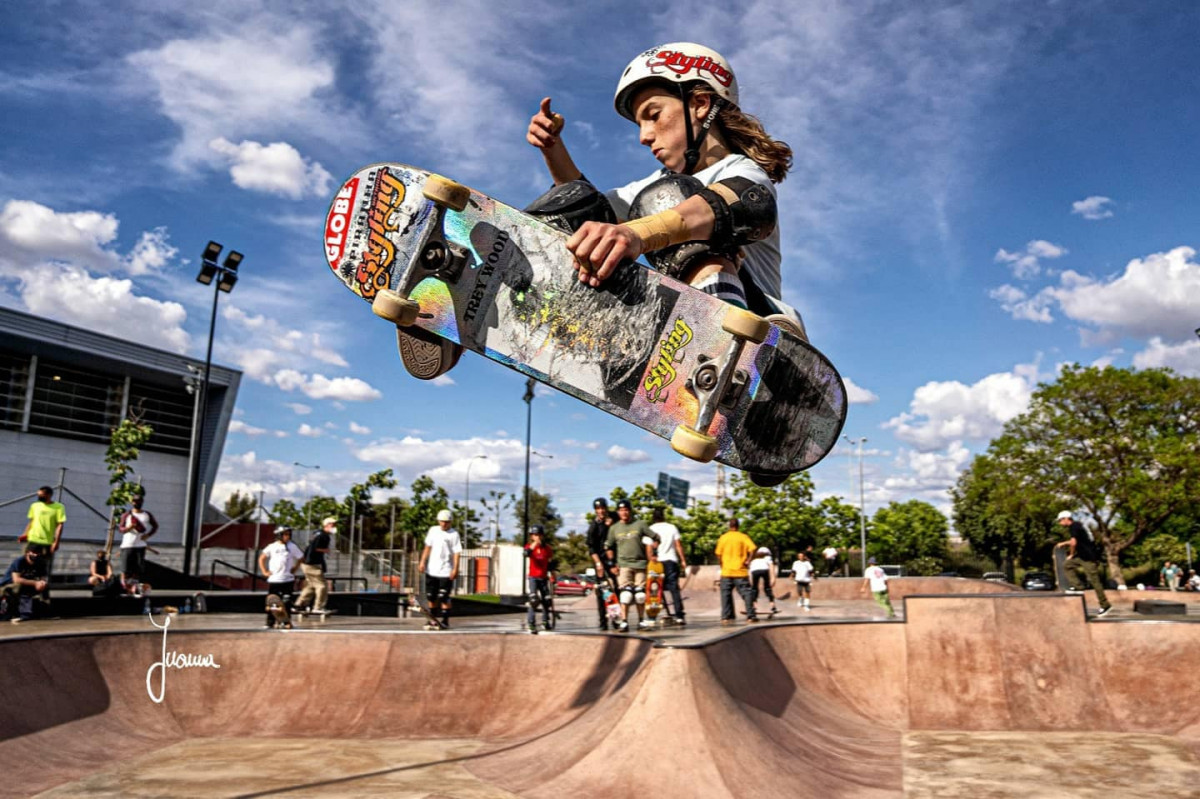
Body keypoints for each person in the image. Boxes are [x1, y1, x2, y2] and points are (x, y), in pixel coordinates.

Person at [526, 43, 805, 335]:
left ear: (700, 104)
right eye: (639, 124)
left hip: (759, 325)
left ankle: (718, 342)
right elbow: (589, 211)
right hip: (678, 330)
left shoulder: (740, 170)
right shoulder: (656, 182)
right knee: (579, 208)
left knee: (670, 200)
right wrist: (553, 150)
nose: (644, 137)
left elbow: (749, 204)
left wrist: (636, 233)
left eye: (654, 115)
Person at [605, 499, 660, 632]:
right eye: (621, 510)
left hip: (640, 564)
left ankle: (641, 621)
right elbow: (609, 546)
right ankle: (624, 621)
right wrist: (611, 563)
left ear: (630, 511)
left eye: (626, 510)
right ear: (618, 512)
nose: (624, 513)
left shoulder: (640, 524)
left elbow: (656, 538)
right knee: (626, 595)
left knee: (640, 596)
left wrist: (654, 551)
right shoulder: (614, 528)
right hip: (623, 565)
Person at [1054, 510, 1112, 616]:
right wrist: (1065, 543)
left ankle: (1105, 605)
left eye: (1060, 521)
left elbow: (1073, 543)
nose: (1060, 523)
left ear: (1066, 519)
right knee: (1067, 565)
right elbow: (1077, 541)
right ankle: (1078, 587)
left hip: (1089, 558)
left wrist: (1071, 554)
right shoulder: (1078, 526)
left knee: (1095, 581)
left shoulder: (1073, 527)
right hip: (1082, 556)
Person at [418, 509, 462, 630]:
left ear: (451, 522)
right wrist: (422, 561)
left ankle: (445, 621)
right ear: (438, 521)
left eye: (447, 522)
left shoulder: (454, 534)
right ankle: (432, 620)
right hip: (432, 570)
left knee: (444, 597)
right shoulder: (433, 530)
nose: (444, 524)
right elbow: (427, 547)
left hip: (446, 571)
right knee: (431, 596)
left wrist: (455, 569)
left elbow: (457, 553)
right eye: (442, 522)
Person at [22, 486, 65, 593]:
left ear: (48, 495)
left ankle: (43, 593)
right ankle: (27, 591)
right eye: (38, 495)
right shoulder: (34, 506)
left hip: (47, 542)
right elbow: (32, 521)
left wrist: (56, 541)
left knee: (44, 569)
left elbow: (60, 525)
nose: (39, 497)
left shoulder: (58, 507)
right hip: (33, 540)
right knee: (26, 565)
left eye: (41, 495)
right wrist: (25, 534)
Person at [714, 517, 757, 624]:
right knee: (746, 593)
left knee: (725, 594)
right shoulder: (743, 537)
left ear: (729, 526)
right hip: (740, 571)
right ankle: (750, 616)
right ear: (738, 526)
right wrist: (748, 560)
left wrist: (722, 564)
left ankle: (725, 617)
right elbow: (753, 548)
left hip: (726, 571)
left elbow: (718, 554)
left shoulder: (723, 537)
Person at [259, 527, 304, 627]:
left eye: (289, 534)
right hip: (274, 580)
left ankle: (286, 622)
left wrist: (295, 568)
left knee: (286, 602)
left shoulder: (292, 546)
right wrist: (264, 571)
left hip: (287, 579)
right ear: (279, 535)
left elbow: (301, 557)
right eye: (285, 534)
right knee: (272, 602)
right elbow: (262, 558)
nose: (287, 537)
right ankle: (270, 622)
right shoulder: (272, 546)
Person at [649, 507, 687, 624]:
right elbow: (678, 545)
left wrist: (649, 559)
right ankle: (679, 615)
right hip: (671, 560)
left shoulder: (651, 529)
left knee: (656, 589)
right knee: (674, 588)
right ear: (663, 516)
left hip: (657, 562)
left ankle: (654, 615)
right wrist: (683, 560)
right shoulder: (672, 527)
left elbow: (649, 547)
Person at [586, 497, 617, 630]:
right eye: (598, 509)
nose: (601, 511)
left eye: (603, 508)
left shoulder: (613, 516)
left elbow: (621, 516)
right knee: (603, 591)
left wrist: (612, 521)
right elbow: (591, 548)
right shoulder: (594, 526)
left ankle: (616, 619)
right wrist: (598, 564)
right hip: (601, 561)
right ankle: (603, 622)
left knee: (615, 589)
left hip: (613, 559)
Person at [118, 490, 158, 589]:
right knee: (125, 568)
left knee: (138, 568)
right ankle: (124, 585)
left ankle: (134, 586)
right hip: (128, 544)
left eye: (139, 501)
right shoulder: (127, 515)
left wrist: (148, 535)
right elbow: (121, 529)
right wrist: (129, 528)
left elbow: (155, 526)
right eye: (135, 501)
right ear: (132, 502)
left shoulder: (146, 514)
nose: (137, 503)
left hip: (140, 545)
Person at [295, 517, 335, 615]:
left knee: (311, 585)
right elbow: (315, 548)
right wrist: (325, 550)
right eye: (333, 525)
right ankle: (318, 607)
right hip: (312, 564)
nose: (334, 527)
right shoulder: (323, 536)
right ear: (327, 525)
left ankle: (299, 604)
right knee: (322, 586)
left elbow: (311, 547)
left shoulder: (318, 533)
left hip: (307, 563)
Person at [2, 544, 50, 623]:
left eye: (38, 553)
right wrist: (35, 583)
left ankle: (46, 612)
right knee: (20, 587)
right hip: (8, 585)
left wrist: (42, 584)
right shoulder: (19, 561)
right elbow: (16, 579)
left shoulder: (41, 562)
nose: (36, 555)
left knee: (45, 587)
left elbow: (43, 578)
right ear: (27, 553)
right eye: (33, 552)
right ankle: (23, 614)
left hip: (27, 584)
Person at [525, 525, 555, 632]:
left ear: (542, 536)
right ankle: (531, 623)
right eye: (534, 535)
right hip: (533, 577)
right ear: (532, 536)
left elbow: (550, 563)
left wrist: (552, 574)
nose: (537, 537)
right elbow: (526, 554)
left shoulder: (547, 548)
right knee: (533, 600)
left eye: (538, 535)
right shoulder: (530, 546)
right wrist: (534, 545)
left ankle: (545, 622)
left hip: (543, 577)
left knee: (546, 600)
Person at [748, 546, 778, 616]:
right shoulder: (768, 558)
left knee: (754, 589)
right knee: (767, 588)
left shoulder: (754, 560)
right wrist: (773, 578)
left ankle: (754, 607)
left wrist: (750, 580)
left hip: (755, 571)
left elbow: (750, 571)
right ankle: (773, 606)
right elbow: (771, 567)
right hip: (764, 570)